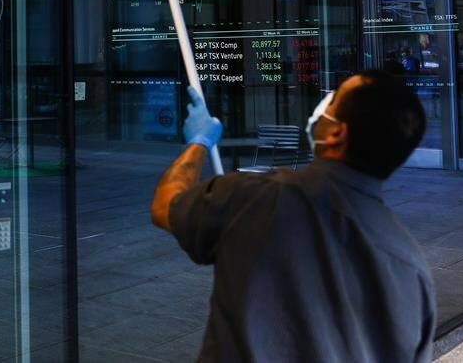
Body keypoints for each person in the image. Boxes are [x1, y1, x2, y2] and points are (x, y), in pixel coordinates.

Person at [150, 69, 435, 362]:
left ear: (337, 133)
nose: (323, 106)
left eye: (334, 99)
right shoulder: (411, 268)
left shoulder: (258, 198)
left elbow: (166, 205)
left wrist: (198, 142)